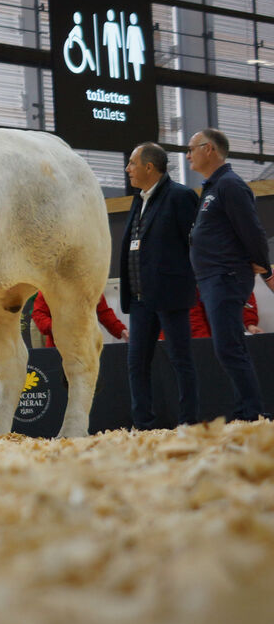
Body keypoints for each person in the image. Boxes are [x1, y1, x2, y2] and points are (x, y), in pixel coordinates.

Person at [186, 128, 272, 422]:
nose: (188, 155)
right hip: (213, 278)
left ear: (209, 149)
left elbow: (252, 230)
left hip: (226, 276)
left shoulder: (230, 185)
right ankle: (247, 411)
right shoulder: (213, 187)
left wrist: (264, 265)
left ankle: (252, 413)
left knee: (228, 346)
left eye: (191, 149)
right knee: (228, 346)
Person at [118, 142, 200, 430]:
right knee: (136, 363)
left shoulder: (180, 196)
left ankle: (188, 421)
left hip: (171, 296)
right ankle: (143, 424)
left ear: (149, 167)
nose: (127, 168)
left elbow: (195, 245)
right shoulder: (138, 200)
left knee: (181, 360)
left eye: (132, 163)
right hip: (139, 298)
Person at [31, 292, 128, 345]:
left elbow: (104, 312)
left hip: (87, 347)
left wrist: (121, 330)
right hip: (58, 348)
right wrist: (57, 327)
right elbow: (39, 314)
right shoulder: (50, 286)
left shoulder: (90, 286)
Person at [189, 291, 260, 337]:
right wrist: (205, 341)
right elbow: (194, 317)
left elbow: (247, 300)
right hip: (207, 336)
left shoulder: (239, 277)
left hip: (234, 333)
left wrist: (251, 324)